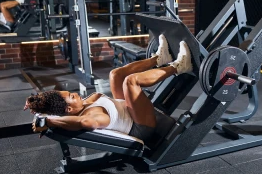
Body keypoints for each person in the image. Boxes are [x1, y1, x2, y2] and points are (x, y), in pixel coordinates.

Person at [24, 35, 193, 142]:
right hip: (142, 127)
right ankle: (179, 66)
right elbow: (84, 122)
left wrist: (39, 105)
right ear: (69, 109)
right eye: (72, 96)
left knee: (115, 75)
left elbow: (90, 99)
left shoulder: (82, 105)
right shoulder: (91, 116)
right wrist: (48, 121)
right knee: (130, 82)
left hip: (126, 111)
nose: (76, 94)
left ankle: (158, 59)